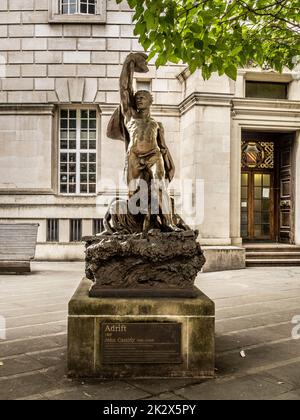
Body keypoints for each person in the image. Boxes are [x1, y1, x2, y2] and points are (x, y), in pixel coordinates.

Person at [107, 52, 180, 232]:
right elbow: (124, 89)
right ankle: (137, 228)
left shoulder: (157, 124)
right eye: (137, 96)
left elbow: (163, 147)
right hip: (133, 157)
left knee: (160, 184)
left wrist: (170, 165)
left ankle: (168, 223)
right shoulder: (130, 117)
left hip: (154, 156)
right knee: (133, 194)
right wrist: (129, 63)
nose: (138, 98)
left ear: (150, 101)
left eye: (143, 96)